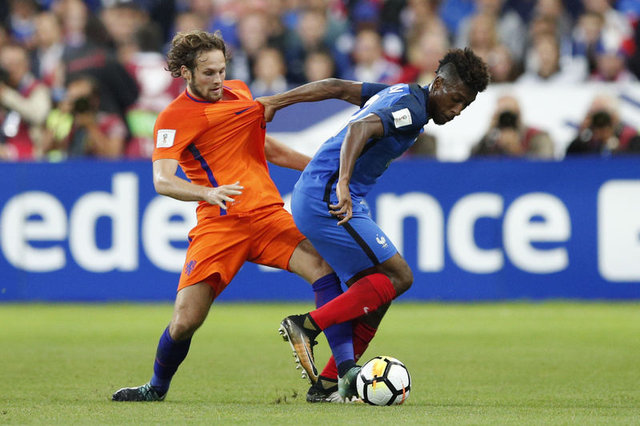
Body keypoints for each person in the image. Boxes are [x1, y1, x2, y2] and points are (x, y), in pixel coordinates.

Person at [110, 29, 342, 402]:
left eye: (221, 70)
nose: (218, 79)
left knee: (324, 268)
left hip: (266, 216)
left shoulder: (240, 92)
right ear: (185, 72)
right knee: (186, 321)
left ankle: (338, 376)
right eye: (208, 73)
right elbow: (162, 180)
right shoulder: (172, 118)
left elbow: (266, 148)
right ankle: (156, 387)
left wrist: (319, 168)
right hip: (220, 225)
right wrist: (206, 192)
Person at [260, 47, 490, 401]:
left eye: (465, 105)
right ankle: (306, 325)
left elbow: (336, 87)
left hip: (317, 192)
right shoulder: (412, 109)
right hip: (328, 197)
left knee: (375, 294)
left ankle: (330, 383)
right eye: (456, 99)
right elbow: (360, 127)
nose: (457, 110)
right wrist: (343, 182)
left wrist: (276, 100)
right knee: (399, 276)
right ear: (438, 83)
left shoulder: (399, 92)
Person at [41, 73, 128, 159]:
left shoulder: (110, 123)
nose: (79, 105)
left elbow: (113, 156)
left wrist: (90, 126)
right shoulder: (68, 122)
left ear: (95, 100)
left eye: (82, 100)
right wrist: (60, 116)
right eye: (73, 100)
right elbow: (44, 149)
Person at [471, 94, 555, 158]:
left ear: (519, 114)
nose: (507, 119)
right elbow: (472, 162)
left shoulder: (537, 137)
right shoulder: (491, 141)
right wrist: (489, 132)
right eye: (502, 115)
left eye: (511, 114)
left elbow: (545, 165)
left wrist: (519, 152)